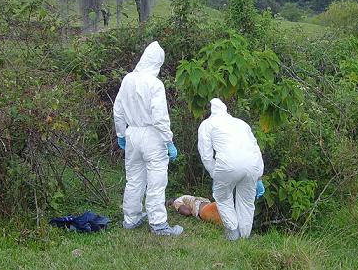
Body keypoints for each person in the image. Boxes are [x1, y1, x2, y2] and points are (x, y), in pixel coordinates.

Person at [113, 41, 183, 236]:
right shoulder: (155, 84)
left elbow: (118, 110)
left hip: (132, 133)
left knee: (134, 179)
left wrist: (121, 134)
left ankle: (131, 218)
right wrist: (168, 140)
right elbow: (160, 117)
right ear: (157, 63)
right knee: (156, 181)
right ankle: (158, 224)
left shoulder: (128, 79)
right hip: (152, 136)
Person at [197, 98, 265, 241]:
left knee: (222, 197)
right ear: (225, 110)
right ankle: (245, 237)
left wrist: (214, 173)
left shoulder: (207, 124)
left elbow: (206, 154)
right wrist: (258, 176)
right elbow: (255, 147)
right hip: (252, 164)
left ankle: (233, 233)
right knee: (247, 201)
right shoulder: (241, 123)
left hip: (228, 165)